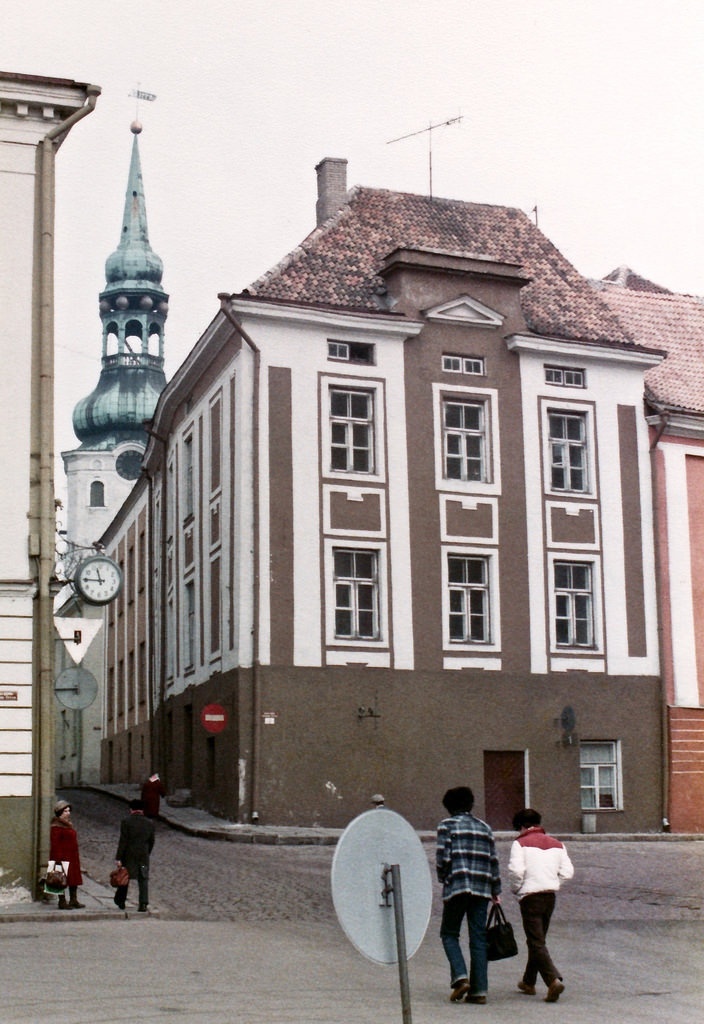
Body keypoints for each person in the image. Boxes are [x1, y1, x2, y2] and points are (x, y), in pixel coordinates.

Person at [436, 786, 502, 1005]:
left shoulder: (446, 826)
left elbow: (443, 859)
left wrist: (444, 877)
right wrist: (495, 891)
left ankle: (460, 977)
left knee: (449, 933)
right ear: (471, 804)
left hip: (457, 886)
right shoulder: (485, 828)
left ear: (449, 807)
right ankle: (479, 991)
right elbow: (494, 861)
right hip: (482, 889)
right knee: (479, 939)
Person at [508, 808, 574, 1003]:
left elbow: (516, 871)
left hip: (530, 896)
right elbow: (567, 872)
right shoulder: (557, 844)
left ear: (521, 826)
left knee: (536, 942)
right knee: (538, 940)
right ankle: (528, 981)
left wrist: (517, 889)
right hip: (549, 896)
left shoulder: (519, 843)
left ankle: (553, 980)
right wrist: (554, 882)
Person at [114, 799, 156, 912]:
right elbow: (151, 841)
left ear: (131, 809)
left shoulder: (126, 822)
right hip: (143, 856)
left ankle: (121, 901)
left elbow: (123, 841)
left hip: (129, 855)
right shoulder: (150, 823)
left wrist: (119, 857)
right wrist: (147, 852)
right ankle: (143, 903)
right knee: (143, 879)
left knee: (125, 877)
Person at [49, 800, 84, 909]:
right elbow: (55, 844)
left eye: (69, 811)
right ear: (60, 813)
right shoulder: (56, 826)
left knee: (74, 879)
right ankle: (62, 901)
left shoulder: (68, 825)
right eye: (65, 811)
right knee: (60, 879)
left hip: (72, 856)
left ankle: (73, 900)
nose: (68, 813)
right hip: (62, 856)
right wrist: (57, 860)